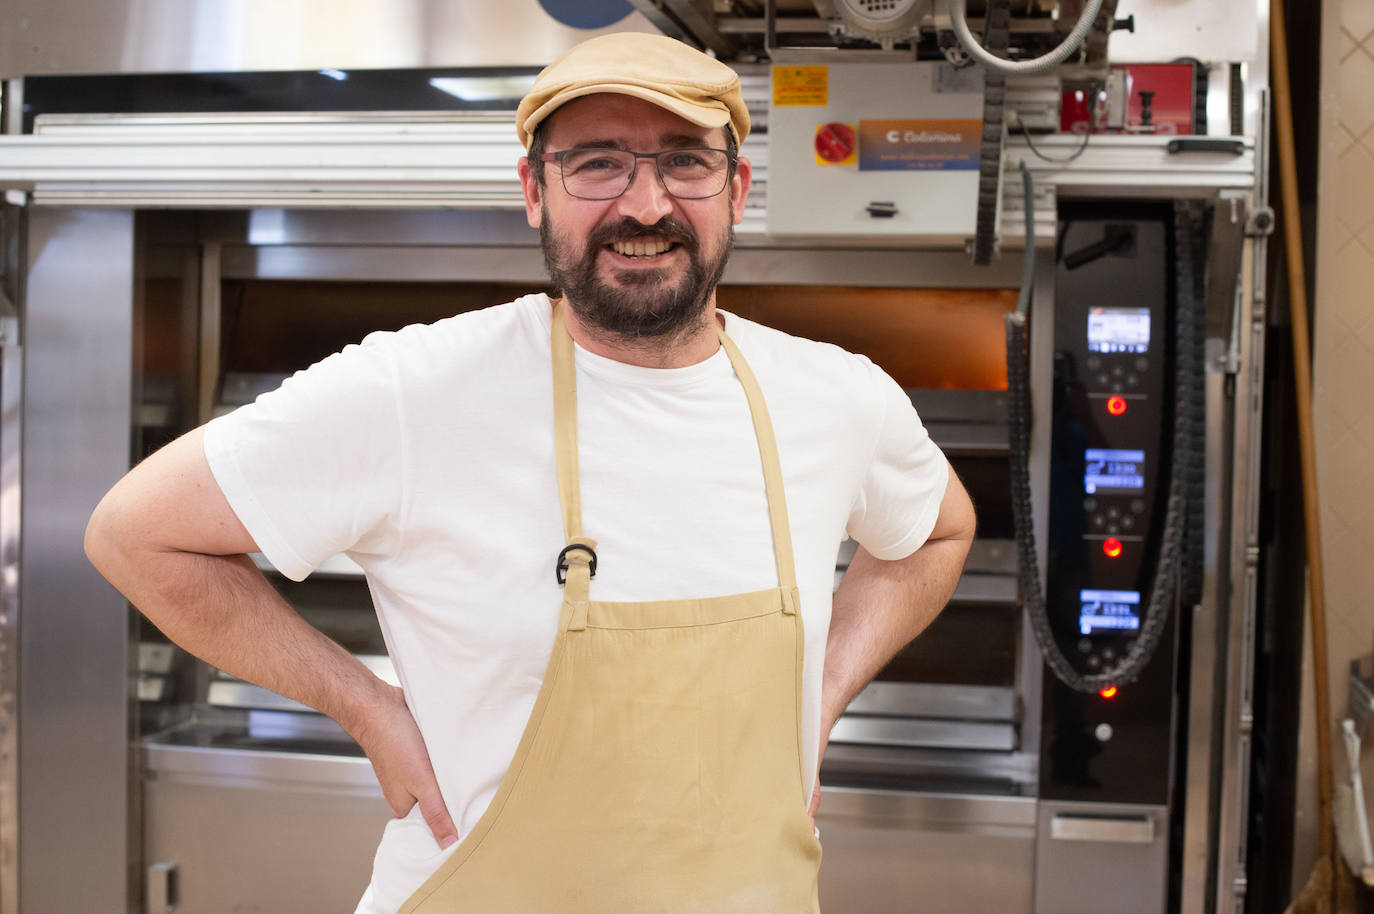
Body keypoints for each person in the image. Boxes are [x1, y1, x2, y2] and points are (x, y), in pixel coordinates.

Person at [84, 31, 975, 914]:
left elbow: (938, 530)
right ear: (534, 191)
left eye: (685, 162)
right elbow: (136, 534)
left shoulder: (835, 396)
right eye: (596, 165)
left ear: (736, 189)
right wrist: (365, 707)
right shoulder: (415, 388)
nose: (646, 204)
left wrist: (819, 697)